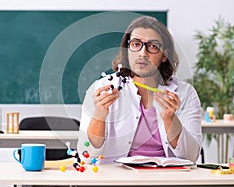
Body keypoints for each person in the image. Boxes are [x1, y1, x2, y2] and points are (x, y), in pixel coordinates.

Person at [78, 15, 202, 163]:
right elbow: (86, 155)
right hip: (118, 179)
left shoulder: (186, 93)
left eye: (153, 46)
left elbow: (191, 156)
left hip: (168, 179)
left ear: (164, 55)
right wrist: (99, 114)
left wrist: (170, 119)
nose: (143, 53)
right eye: (136, 44)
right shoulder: (102, 89)